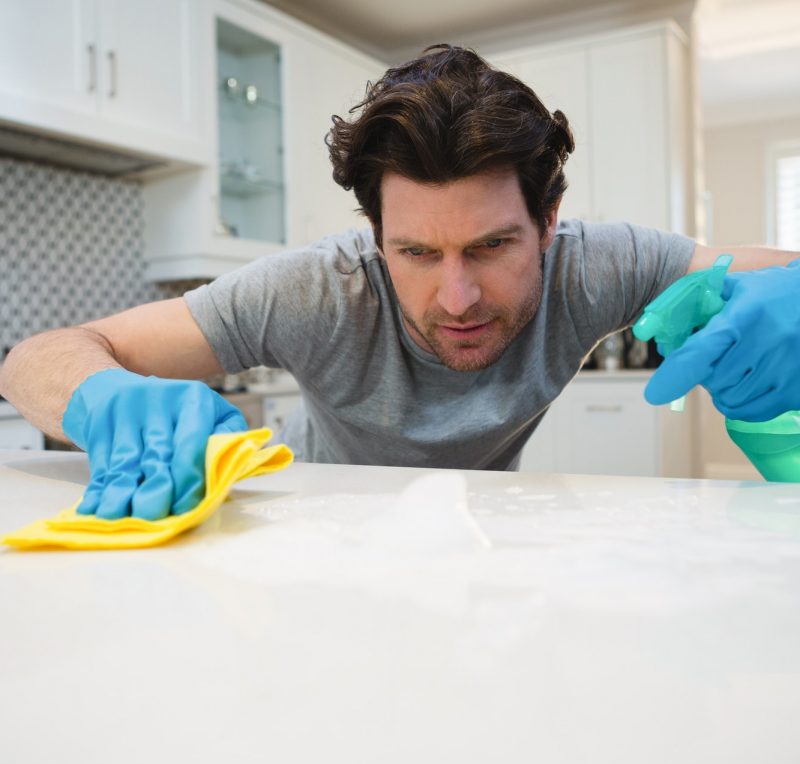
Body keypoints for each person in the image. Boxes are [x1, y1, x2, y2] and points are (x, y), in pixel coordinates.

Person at [2, 44, 799, 521]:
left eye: (492, 247)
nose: (457, 298)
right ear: (375, 232)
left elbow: (776, 271)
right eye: (415, 252)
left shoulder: (594, 264)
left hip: (484, 540)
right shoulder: (317, 290)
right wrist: (101, 396)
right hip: (316, 534)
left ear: (548, 221)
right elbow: (36, 357)